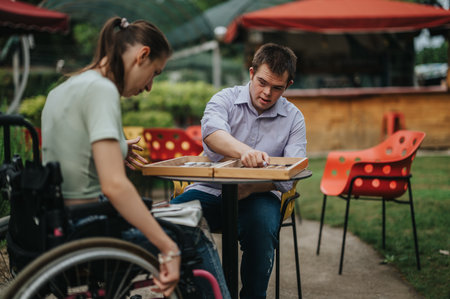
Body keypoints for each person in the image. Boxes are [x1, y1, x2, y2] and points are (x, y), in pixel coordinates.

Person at [41, 16, 230, 299]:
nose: (150, 86)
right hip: (90, 226)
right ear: (142, 55)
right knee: (193, 234)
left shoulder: (63, 89)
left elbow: (73, 153)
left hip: (56, 220)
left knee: (179, 216)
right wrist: (167, 248)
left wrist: (118, 146)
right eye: (155, 72)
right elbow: (114, 186)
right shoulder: (102, 90)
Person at [171, 43, 306, 299]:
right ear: (251, 72)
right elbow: (212, 134)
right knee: (174, 219)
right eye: (262, 82)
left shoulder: (294, 118)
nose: (267, 93)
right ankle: (208, 293)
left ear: (288, 85)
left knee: (262, 228)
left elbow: (293, 170)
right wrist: (245, 152)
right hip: (210, 189)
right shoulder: (224, 99)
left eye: (277, 87)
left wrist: (252, 187)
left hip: (260, 196)